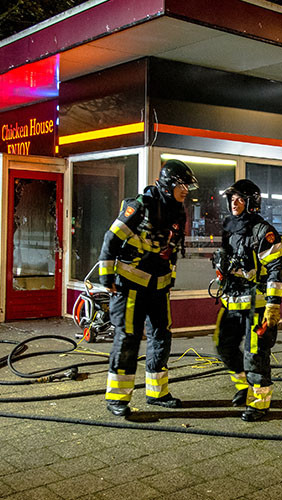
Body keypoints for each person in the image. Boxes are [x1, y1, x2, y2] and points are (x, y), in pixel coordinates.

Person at [98, 159, 198, 417]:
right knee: (128, 339)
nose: (185, 190)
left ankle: (157, 393)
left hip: (158, 288)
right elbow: (111, 239)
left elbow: (172, 251)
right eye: (181, 185)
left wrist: (170, 280)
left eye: (187, 186)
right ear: (167, 185)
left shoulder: (178, 212)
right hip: (130, 287)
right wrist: (106, 277)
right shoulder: (139, 207)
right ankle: (117, 398)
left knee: (161, 337)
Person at [213, 179, 282, 422]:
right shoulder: (230, 228)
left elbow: (276, 269)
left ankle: (259, 404)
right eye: (231, 199)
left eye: (239, 199)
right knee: (223, 346)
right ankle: (245, 387)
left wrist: (273, 305)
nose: (234, 203)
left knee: (254, 355)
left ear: (251, 203)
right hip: (232, 302)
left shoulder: (263, 232)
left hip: (257, 305)